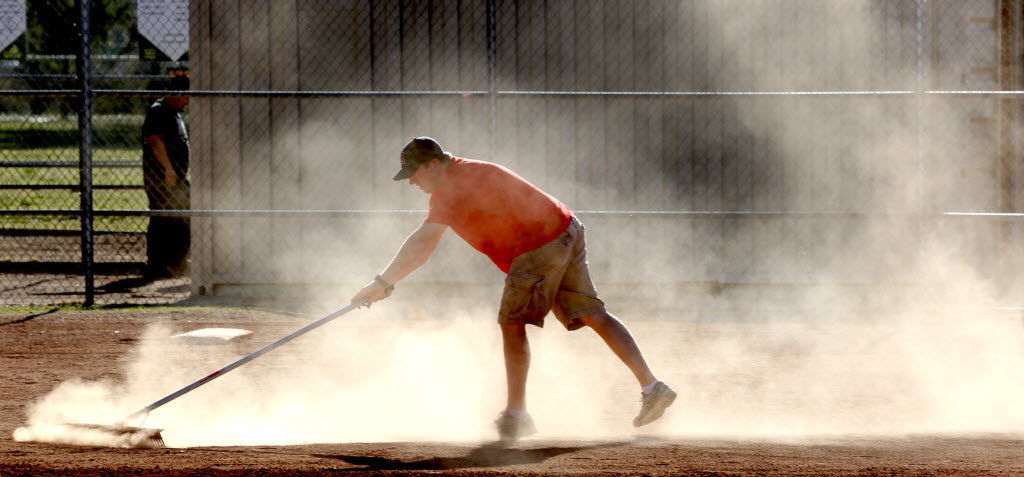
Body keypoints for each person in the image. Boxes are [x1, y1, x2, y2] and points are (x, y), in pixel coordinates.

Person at [350, 137, 676, 443]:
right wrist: (384, 283)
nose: (412, 182)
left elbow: (422, 245)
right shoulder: (465, 173)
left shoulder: (453, 186)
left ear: (433, 164)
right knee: (592, 313)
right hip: (564, 228)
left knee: (512, 323)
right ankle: (653, 387)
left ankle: (516, 416)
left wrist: (382, 283)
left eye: (414, 173)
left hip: (540, 244)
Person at [141, 74, 190, 280]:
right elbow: (155, 141)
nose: (188, 102)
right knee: (162, 218)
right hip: (161, 177)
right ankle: (158, 264)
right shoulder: (159, 111)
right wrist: (168, 170)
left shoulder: (174, 112)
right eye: (186, 97)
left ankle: (174, 262)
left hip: (175, 177)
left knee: (179, 217)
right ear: (177, 95)